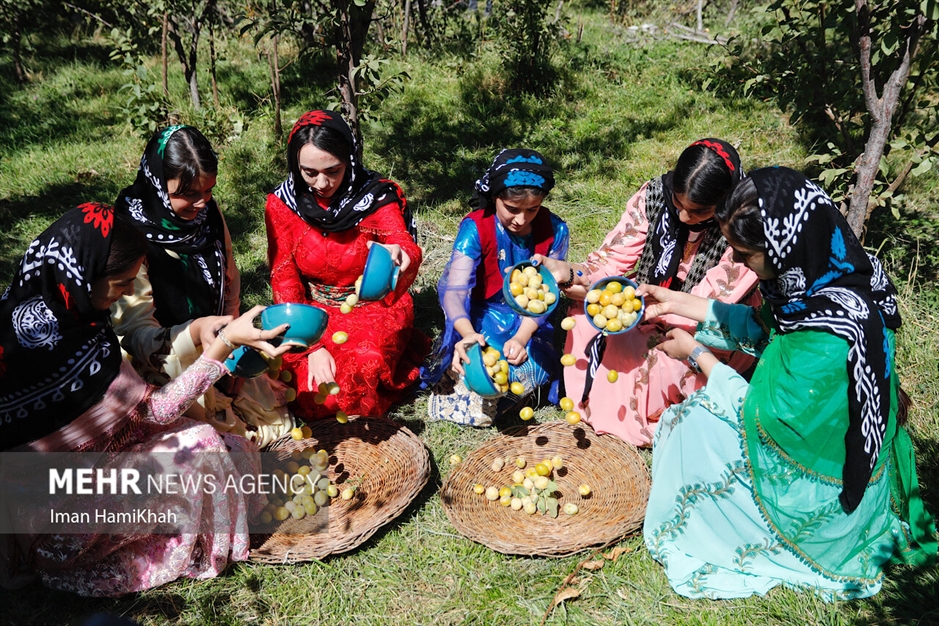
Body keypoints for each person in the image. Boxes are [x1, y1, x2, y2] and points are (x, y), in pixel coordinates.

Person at [640, 167, 936, 600]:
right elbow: (767, 327)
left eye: (746, 254)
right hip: (833, 437)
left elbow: (766, 417)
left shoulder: (826, 332)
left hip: (821, 475)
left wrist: (697, 356)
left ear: (782, 247)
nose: (739, 263)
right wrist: (676, 300)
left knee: (694, 422)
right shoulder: (827, 274)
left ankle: (760, 532)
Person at [0, 203, 292, 597]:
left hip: (92, 472)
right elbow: (153, 413)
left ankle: (191, 534)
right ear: (82, 275)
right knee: (200, 446)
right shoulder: (33, 346)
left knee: (229, 447)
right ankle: (60, 571)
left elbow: (137, 416)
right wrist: (221, 347)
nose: (124, 294)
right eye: (121, 284)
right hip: (53, 519)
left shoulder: (77, 317)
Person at [534, 139, 759, 446]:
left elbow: (715, 302)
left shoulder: (744, 224)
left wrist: (653, 309)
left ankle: (637, 418)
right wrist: (570, 273)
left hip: (705, 319)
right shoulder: (654, 196)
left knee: (666, 351)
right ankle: (593, 406)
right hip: (652, 301)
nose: (682, 218)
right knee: (585, 318)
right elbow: (612, 260)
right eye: (678, 205)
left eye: (698, 211)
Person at [112, 125, 295, 448]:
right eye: (188, 194)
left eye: (208, 191)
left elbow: (229, 279)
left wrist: (232, 343)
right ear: (156, 185)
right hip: (166, 356)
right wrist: (200, 336)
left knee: (277, 425)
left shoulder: (207, 214)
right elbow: (136, 334)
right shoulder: (130, 234)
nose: (201, 203)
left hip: (217, 338)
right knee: (223, 434)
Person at [265, 110, 428, 420]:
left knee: (355, 376)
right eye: (309, 172)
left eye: (333, 171)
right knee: (306, 389)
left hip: (374, 307)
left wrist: (401, 255)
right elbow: (284, 277)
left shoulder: (374, 196)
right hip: (310, 312)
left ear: (349, 161)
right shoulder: (282, 205)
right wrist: (311, 346)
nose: (322, 183)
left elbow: (402, 241)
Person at [425, 148, 569, 427]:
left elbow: (546, 297)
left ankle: (482, 393)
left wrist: (523, 336)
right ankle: (479, 388)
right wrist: (467, 335)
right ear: (495, 198)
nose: (521, 219)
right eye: (512, 209)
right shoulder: (476, 227)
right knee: (482, 362)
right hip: (481, 315)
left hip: (527, 320)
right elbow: (455, 292)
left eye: (533, 209)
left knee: (531, 366)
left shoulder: (555, 230)